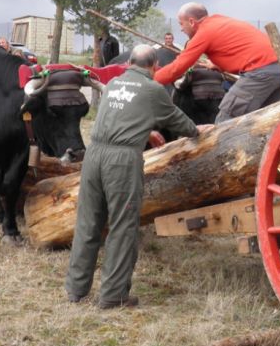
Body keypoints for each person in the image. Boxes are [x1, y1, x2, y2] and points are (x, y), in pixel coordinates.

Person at [65, 44, 209, 309]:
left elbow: (124, 116)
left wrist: (146, 130)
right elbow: (178, 121)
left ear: (129, 62)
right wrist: (197, 131)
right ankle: (113, 295)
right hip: (121, 160)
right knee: (122, 225)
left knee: (88, 222)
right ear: (154, 67)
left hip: (94, 154)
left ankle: (76, 288)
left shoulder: (115, 83)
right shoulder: (153, 89)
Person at [154, 2, 280, 123]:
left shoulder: (204, 32)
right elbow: (240, 49)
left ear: (192, 21)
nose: (181, 29)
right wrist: (218, 66)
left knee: (225, 121)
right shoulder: (220, 21)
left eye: (181, 24)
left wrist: (149, 79)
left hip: (260, 74)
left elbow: (177, 68)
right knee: (259, 122)